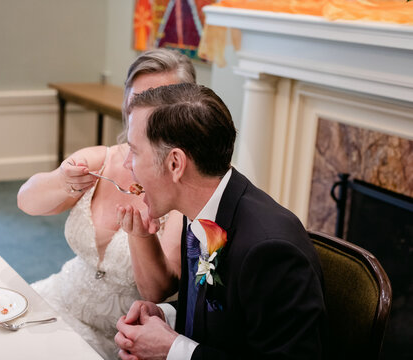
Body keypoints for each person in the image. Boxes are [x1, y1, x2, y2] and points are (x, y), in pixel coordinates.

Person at [115, 83, 327, 359]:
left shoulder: (270, 251)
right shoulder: (201, 212)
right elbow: (222, 312)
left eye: (135, 151)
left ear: (175, 164)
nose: (126, 164)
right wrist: (164, 316)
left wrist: (171, 349)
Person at [16, 49, 195, 359]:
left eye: (160, 104)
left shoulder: (182, 186)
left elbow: (157, 291)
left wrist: (142, 236)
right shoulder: (104, 158)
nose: (146, 113)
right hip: (60, 299)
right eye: (138, 101)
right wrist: (63, 180)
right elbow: (26, 201)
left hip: (121, 336)